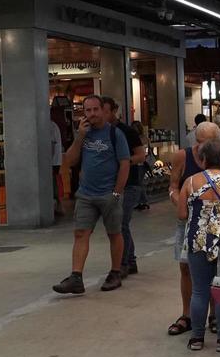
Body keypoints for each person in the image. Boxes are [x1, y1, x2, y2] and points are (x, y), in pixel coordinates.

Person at [168, 121, 220, 336]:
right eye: (199, 143)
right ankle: (187, 314)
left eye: (209, 143)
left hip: (218, 226)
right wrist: (178, 199)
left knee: (214, 271)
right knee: (187, 269)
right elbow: (173, 185)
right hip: (189, 223)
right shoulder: (183, 156)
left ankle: (214, 315)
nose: (203, 149)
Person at [176, 138, 220, 353]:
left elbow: (181, 214)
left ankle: (196, 338)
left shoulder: (190, 182)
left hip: (198, 241)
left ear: (202, 158)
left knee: (199, 291)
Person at [53, 94, 130, 294]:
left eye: (96, 109)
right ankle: (76, 277)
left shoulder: (115, 134)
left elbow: (124, 164)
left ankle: (115, 272)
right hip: (86, 194)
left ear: (103, 110)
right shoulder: (83, 135)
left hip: (109, 193)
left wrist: (117, 193)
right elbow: (68, 161)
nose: (92, 114)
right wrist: (79, 137)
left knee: (114, 233)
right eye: (88, 110)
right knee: (80, 233)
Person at [102, 97, 149, 274]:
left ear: (114, 111)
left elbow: (141, 156)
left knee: (121, 223)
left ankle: (125, 262)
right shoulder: (99, 132)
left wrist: (124, 161)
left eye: (106, 111)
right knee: (118, 224)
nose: (102, 115)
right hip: (111, 184)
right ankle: (129, 260)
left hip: (130, 184)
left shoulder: (126, 131)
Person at [48, 111, 63, 217]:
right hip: (55, 160)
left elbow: (51, 145)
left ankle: (56, 207)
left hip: (53, 161)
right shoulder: (53, 125)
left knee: (52, 184)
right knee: (54, 183)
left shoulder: (50, 126)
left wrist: (47, 161)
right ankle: (57, 206)